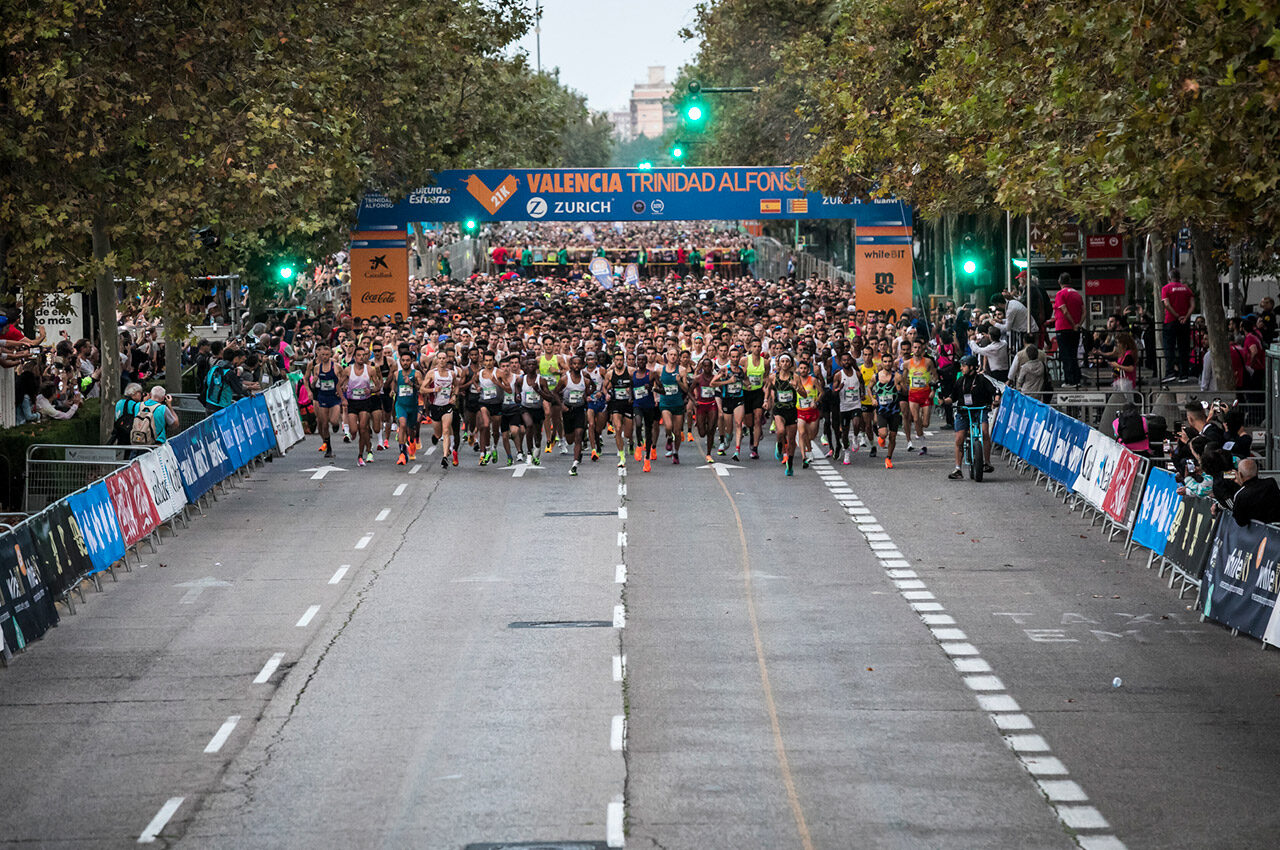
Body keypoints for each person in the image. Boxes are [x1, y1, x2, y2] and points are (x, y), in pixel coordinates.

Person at [945, 355, 996, 479]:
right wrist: (944, 400)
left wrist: (996, 401)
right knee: (959, 439)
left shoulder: (982, 380)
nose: (961, 368)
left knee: (984, 433)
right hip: (963, 411)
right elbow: (953, 397)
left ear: (972, 367)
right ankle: (958, 469)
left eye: (964, 365)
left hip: (980, 410)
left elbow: (995, 391)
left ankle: (987, 463)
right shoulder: (960, 381)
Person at [1216, 459, 1280, 527]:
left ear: (1240, 474)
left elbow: (1240, 522)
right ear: (1257, 471)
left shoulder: (1240, 496)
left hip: (1256, 533)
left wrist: (1242, 483)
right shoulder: (1271, 483)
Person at [1052, 274, 1084, 386]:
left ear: (1059, 282)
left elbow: (1064, 311)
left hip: (1063, 328)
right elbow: (1084, 312)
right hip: (1075, 330)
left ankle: (1069, 380)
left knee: (1065, 355)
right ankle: (1076, 379)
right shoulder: (1077, 294)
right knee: (1073, 354)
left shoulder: (1060, 294)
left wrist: (1072, 324)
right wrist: (1078, 324)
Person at [1160, 276, 1194, 381]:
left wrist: (1177, 315)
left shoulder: (1166, 288)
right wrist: (1186, 317)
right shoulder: (1187, 289)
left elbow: (1167, 304)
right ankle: (1184, 374)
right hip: (1184, 322)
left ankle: (1170, 372)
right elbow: (1192, 305)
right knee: (1184, 348)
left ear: (1169, 277)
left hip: (1170, 320)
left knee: (1169, 347)